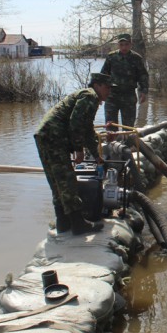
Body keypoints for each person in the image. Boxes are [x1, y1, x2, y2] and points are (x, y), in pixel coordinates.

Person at [34, 73, 114, 235]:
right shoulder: (90, 96)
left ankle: (63, 222)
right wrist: (79, 149)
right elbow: (75, 123)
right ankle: (78, 224)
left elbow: (87, 130)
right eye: (107, 87)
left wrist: (97, 156)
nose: (109, 91)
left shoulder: (87, 96)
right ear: (97, 85)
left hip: (45, 136)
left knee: (57, 182)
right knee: (67, 180)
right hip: (55, 138)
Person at [101, 33, 149, 130]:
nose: (124, 47)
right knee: (111, 126)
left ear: (130, 44)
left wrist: (144, 92)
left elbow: (143, 76)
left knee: (128, 127)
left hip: (129, 96)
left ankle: (127, 144)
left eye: (126, 44)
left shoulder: (136, 58)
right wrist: (100, 94)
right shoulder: (111, 57)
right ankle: (112, 144)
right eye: (121, 44)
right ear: (118, 45)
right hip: (112, 96)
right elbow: (103, 76)